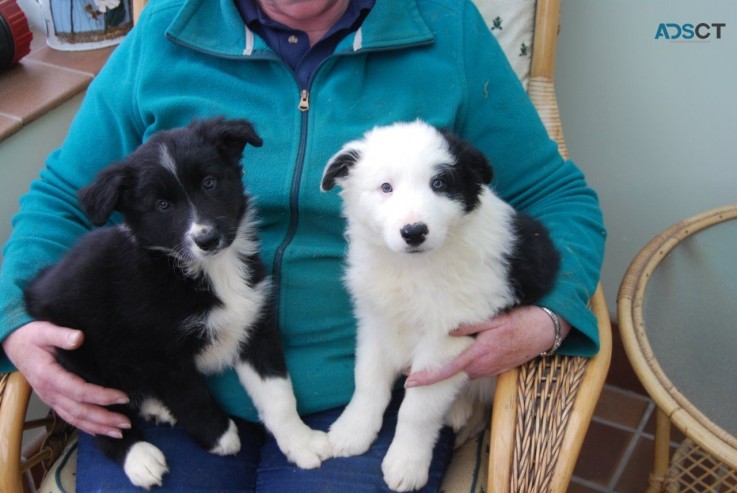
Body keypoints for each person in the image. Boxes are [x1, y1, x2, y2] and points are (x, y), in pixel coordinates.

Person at [0, 0, 606, 491]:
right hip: (171, 377)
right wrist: (17, 325)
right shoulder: (167, 27)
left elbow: (557, 196)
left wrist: (549, 320)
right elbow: (60, 197)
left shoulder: (447, 26)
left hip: (362, 390)